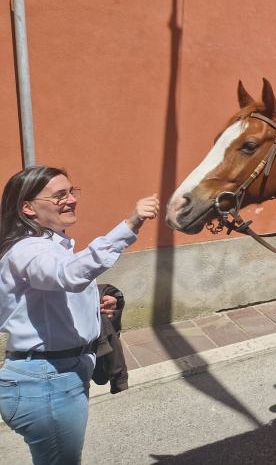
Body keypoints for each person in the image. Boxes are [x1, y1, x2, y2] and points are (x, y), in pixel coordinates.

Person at [0, 166, 158, 464]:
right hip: (46, 381)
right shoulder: (28, 249)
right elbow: (68, 275)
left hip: (55, 375)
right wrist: (130, 224)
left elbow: (51, 295)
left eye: (72, 192)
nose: (71, 200)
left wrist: (93, 305)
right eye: (59, 195)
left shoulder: (49, 245)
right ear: (27, 207)